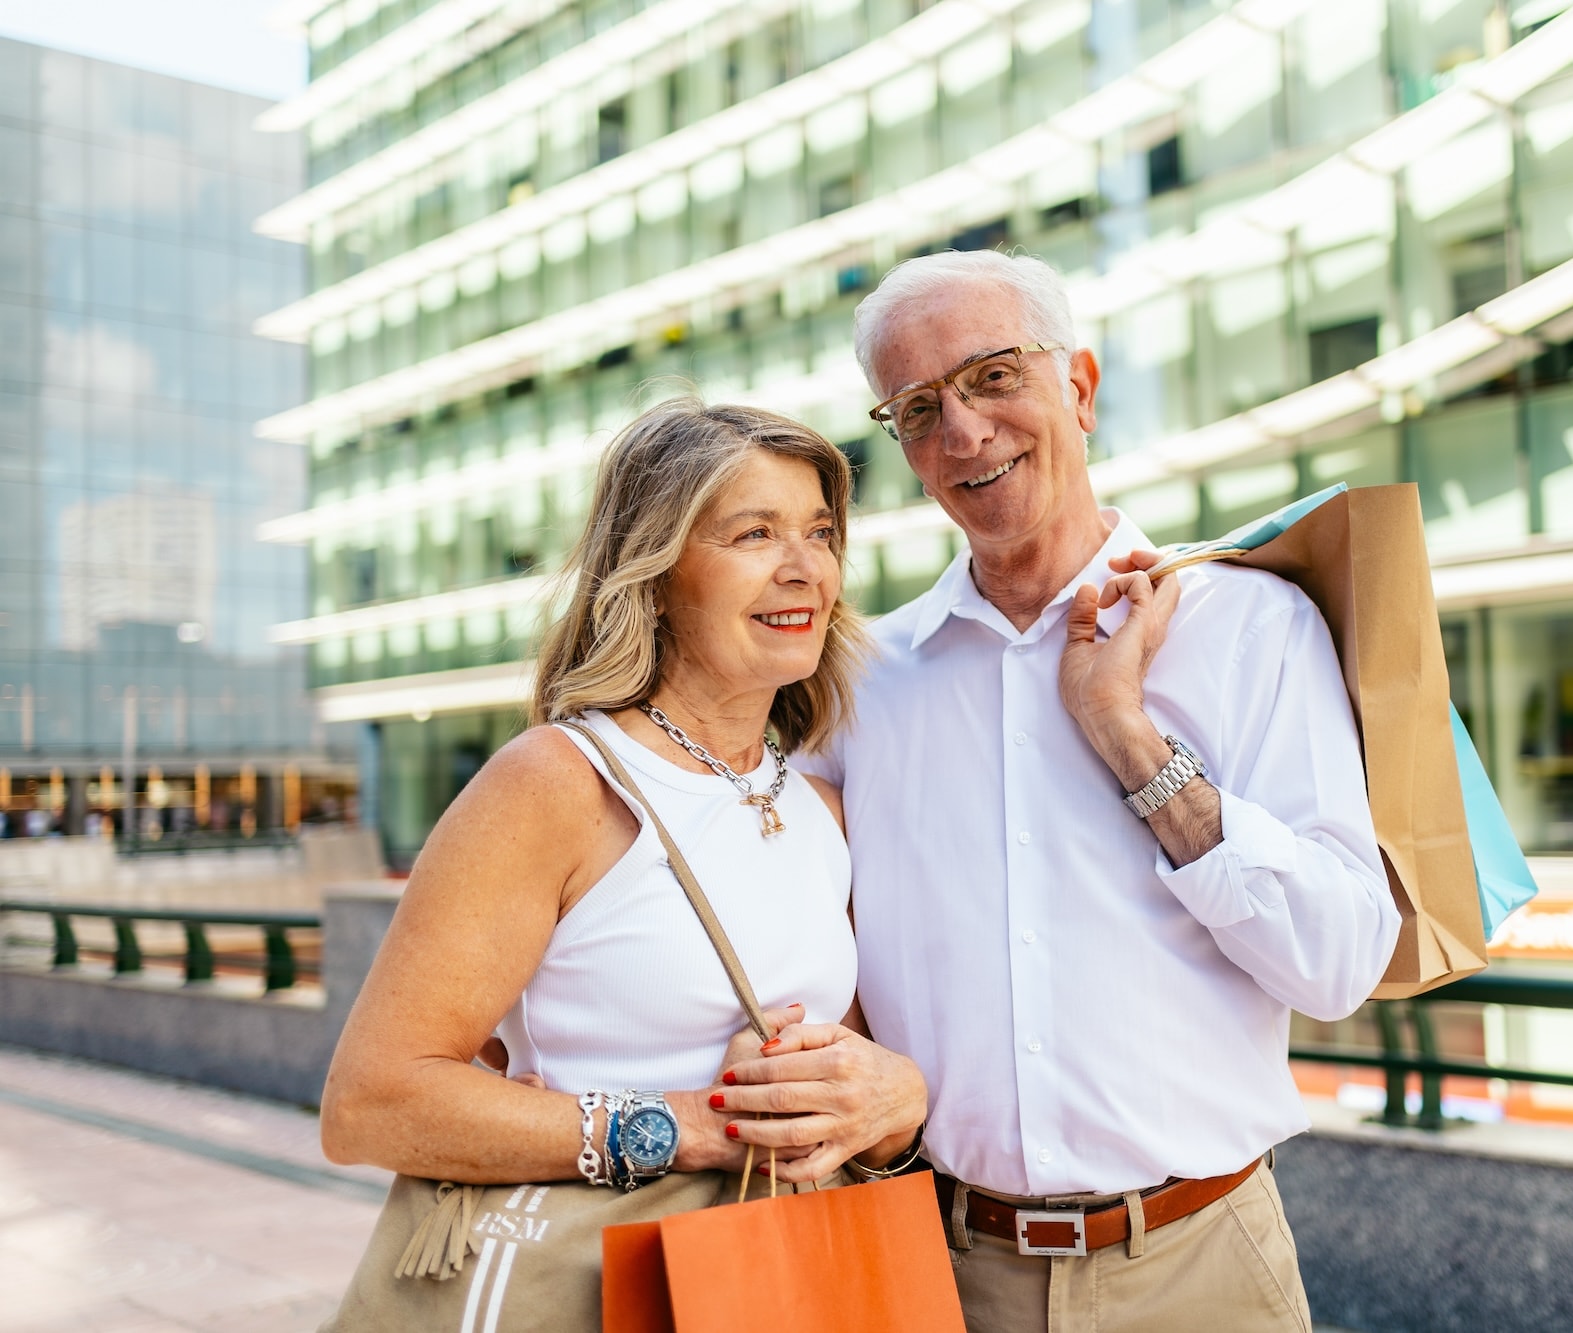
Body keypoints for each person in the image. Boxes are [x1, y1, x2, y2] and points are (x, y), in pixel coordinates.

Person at [798, 250, 1400, 1333]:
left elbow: (1339, 964)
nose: (962, 433)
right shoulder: (862, 685)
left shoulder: (1251, 627)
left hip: (1200, 1266)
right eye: (917, 407)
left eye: (991, 377)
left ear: (1077, 388)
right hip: (941, 1268)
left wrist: (1127, 737)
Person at [319, 400, 928, 1263]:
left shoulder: (820, 806)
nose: (804, 569)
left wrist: (890, 1097)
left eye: (820, 533)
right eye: (754, 534)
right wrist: (683, 1125)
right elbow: (369, 1105)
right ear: (657, 573)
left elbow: (850, 1080)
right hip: (593, 1281)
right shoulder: (559, 782)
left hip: (779, 1283)